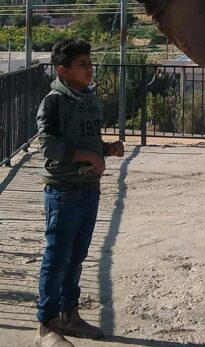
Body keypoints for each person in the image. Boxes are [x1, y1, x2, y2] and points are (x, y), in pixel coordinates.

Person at [34, 39, 124, 347]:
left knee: (76, 257)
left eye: (89, 62)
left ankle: (69, 316)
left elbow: (87, 141)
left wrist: (105, 150)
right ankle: (46, 325)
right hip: (63, 191)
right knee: (57, 258)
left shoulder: (86, 98)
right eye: (82, 65)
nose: (89, 69)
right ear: (63, 71)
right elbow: (47, 146)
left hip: (88, 189)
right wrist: (89, 157)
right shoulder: (53, 102)